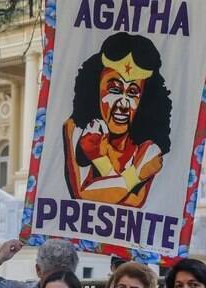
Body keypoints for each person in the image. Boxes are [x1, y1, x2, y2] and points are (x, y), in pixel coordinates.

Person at [63, 32, 172, 208]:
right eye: (114, 90)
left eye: (132, 93)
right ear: (94, 88)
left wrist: (99, 159)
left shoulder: (149, 148)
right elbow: (84, 195)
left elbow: (133, 202)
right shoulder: (76, 127)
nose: (123, 104)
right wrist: (135, 175)